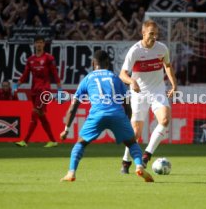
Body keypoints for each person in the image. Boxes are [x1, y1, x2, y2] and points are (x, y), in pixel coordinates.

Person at [60, 50, 154, 182]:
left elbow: (73, 106)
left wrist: (66, 129)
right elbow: (127, 104)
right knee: (132, 143)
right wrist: (126, 122)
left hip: (97, 114)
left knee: (81, 143)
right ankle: (139, 165)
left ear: (93, 63)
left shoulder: (88, 79)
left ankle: (71, 172)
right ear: (108, 64)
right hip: (117, 114)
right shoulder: (116, 78)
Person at [119, 20, 177, 174]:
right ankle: (126, 161)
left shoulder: (162, 48)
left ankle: (146, 156)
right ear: (143, 33)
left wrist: (173, 84)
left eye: (156, 33)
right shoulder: (135, 51)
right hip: (139, 94)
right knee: (136, 133)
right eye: (151, 33)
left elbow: (168, 66)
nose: (154, 36)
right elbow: (122, 74)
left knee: (165, 119)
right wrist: (132, 81)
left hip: (157, 91)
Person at [13, 35, 62, 147]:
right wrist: (17, 85)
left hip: (44, 90)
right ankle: (53, 141)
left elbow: (54, 74)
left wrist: (59, 88)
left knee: (34, 113)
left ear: (44, 44)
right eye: (37, 42)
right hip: (34, 91)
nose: (39, 44)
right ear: (34, 44)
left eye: (41, 42)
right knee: (41, 115)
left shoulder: (49, 58)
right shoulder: (30, 60)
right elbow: (25, 75)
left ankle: (25, 141)